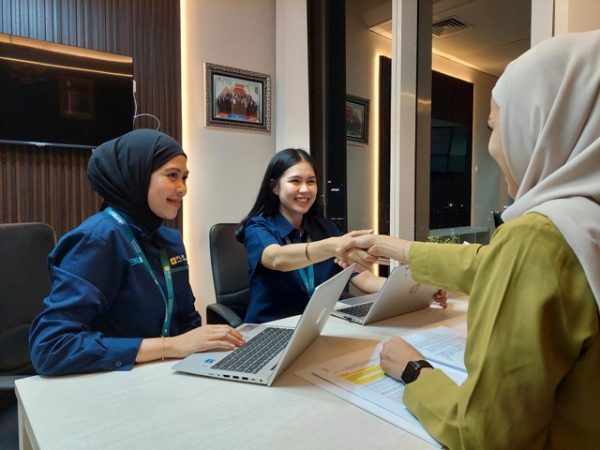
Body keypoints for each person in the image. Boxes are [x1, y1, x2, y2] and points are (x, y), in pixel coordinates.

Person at [339, 31, 600, 449]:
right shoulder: (583, 225)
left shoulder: (539, 237)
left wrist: (415, 372)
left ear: (543, 126)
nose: (493, 147)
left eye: (495, 128)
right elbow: (493, 265)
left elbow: (486, 436)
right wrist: (393, 247)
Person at [29, 129, 244, 376]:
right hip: (114, 381)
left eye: (185, 178)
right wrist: (171, 346)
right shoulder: (97, 239)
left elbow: (186, 321)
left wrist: (212, 349)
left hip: (168, 374)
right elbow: (50, 348)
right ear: (137, 175)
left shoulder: (170, 240)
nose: (182, 188)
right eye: (172, 176)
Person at [235, 148, 392, 323]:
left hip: (317, 325)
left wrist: (404, 290)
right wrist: (332, 246)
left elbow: (366, 280)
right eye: (295, 181)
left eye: (311, 181)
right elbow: (277, 258)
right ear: (275, 187)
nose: (305, 189)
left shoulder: (325, 228)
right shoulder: (257, 227)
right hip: (270, 327)